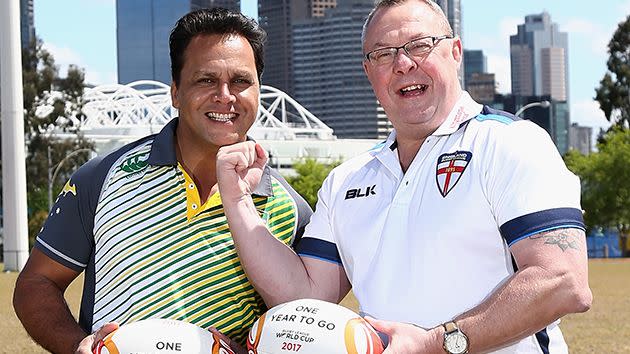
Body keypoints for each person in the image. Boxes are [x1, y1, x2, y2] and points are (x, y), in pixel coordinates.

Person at [215, 1, 592, 353]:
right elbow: (303, 296)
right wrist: (237, 201)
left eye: (420, 45)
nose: (403, 63)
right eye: (383, 54)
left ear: (455, 52)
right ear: (368, 71)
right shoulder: (346, 179)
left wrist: (435, 343)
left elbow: (562, 282)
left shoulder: (509, 142)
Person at [13, 8, 311, 354]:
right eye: (206, 80)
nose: (225, 96)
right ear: (175, 92)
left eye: (241, 81)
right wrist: (78, 345)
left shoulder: (290, 208)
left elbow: (298, 323)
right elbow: (37, 283)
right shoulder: (103, 178)